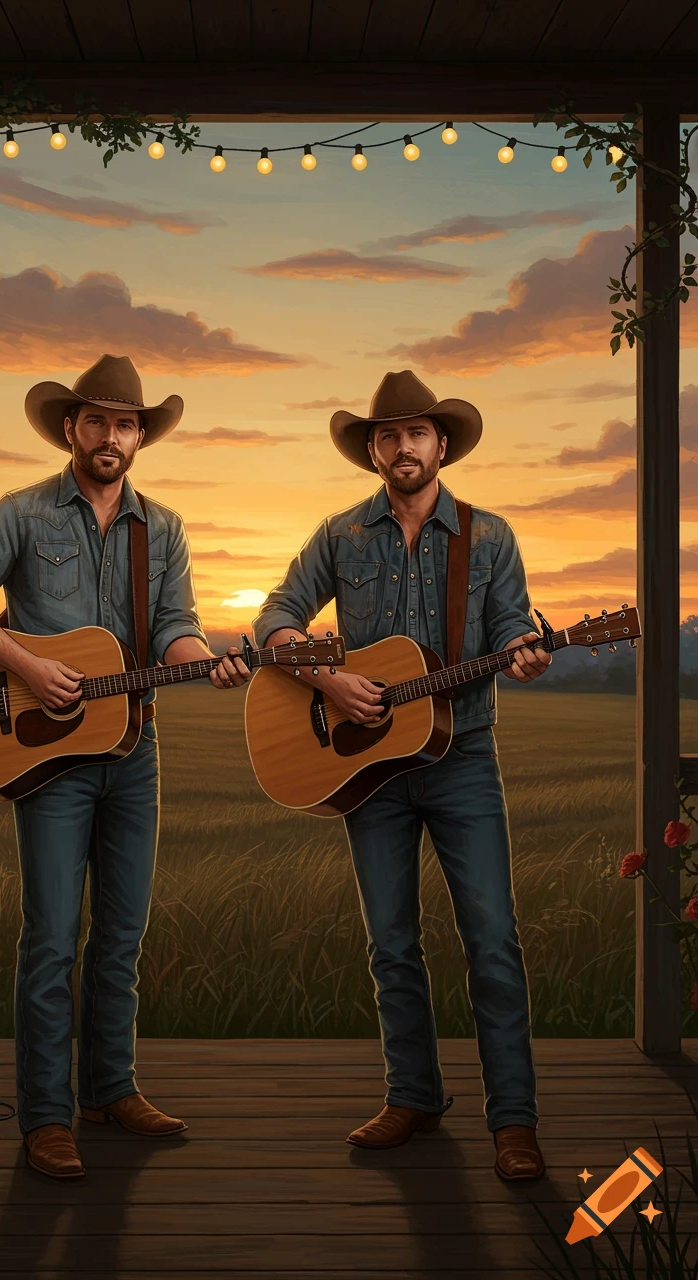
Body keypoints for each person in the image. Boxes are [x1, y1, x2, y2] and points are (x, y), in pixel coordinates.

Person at [0, 354, 251, 1180]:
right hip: (50, 759)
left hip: (133, 752)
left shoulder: (163, 529)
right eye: (97, 421)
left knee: (121, 936)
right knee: (49, 941)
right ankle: (45, 1119)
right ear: (71, 429)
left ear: (142, 436)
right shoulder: (24, 514)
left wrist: (203, 658)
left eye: (127, 423)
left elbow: (174, 627)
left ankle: (110, 1089)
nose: (112, 436)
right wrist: (28, 668)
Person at [252, 370, 550, 1182]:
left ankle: (513, 1122)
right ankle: (412, 1097)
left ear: (440, 444)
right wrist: (330, 682)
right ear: (373, 451)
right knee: (392, 944)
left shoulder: (488, 539)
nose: (402, 446)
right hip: (369, 771)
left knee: (491, 942)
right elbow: (274, 621)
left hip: (464, 761)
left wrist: (524, 653)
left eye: (416, 433)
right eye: (387, 435)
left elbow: (514, 626)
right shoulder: (341, 536)